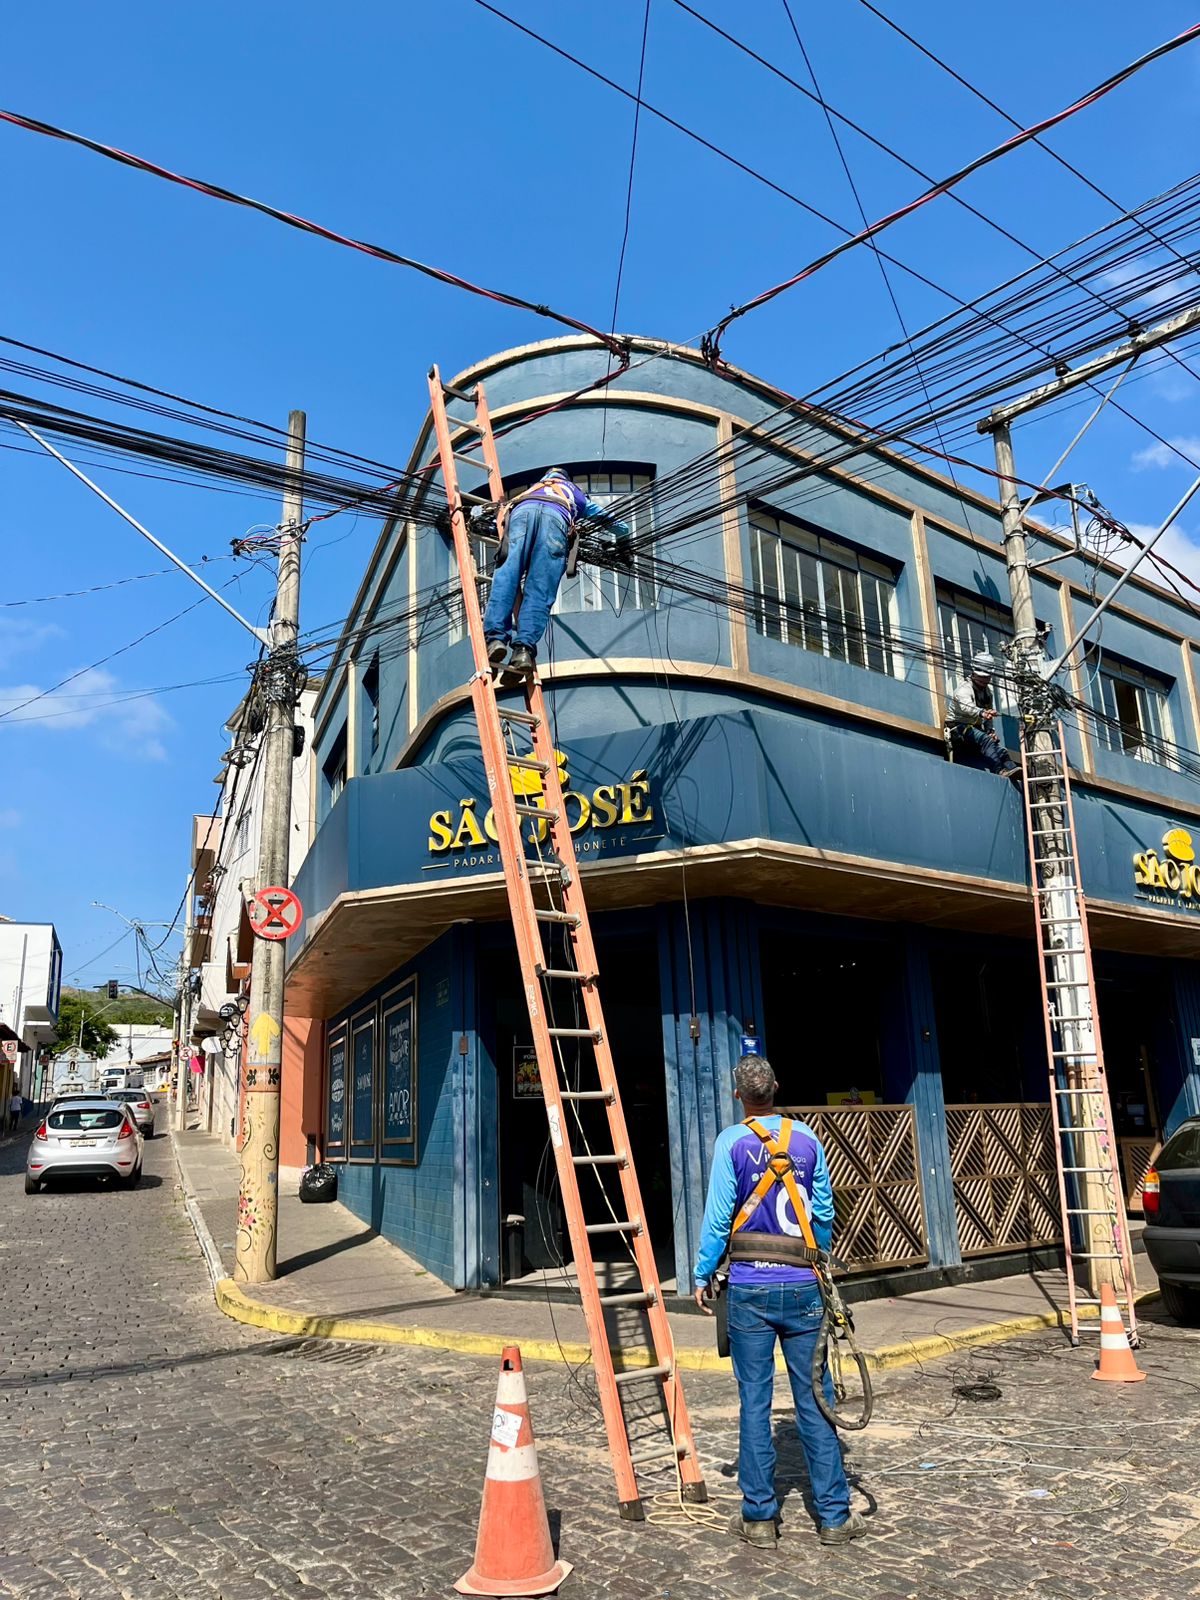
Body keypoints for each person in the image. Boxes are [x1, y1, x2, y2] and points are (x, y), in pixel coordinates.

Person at [694, 1055, 864, 1547]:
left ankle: (759, 1518)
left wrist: (704, 1272)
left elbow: (718, 1217)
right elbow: (824, 1211)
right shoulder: (807, 1139)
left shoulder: (731, 1142)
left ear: (738, 1096)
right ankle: (834, 1516)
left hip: (749, 1286)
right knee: (816, 1398)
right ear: (776, 1088)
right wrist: (816, 1258)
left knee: (754, 1401)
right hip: (804, 1284)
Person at [482, 468, 631, 678]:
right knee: (539, 590)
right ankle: (523, 650)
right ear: (566, 480)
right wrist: (624, 545)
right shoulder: (577, 495)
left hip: (521, 516)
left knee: (506, 578)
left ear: (546, 478)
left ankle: (495, 640)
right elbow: (619, 526)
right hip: (555, 521)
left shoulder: (529, 491)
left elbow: (495, 524)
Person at [944, 651, 1021, 778]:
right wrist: (982, 713)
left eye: (987, 677)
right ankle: (1000, 771)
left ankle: (1013, 769)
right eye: (982, 677)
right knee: (985, 740)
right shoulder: (964, 690)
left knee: (1000, 750)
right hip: (957, 729)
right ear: (974, 673)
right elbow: (966, 707)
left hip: (974, 729)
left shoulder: (987, 693)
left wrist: (990, 730)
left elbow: (988, 714)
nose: (985, 680)